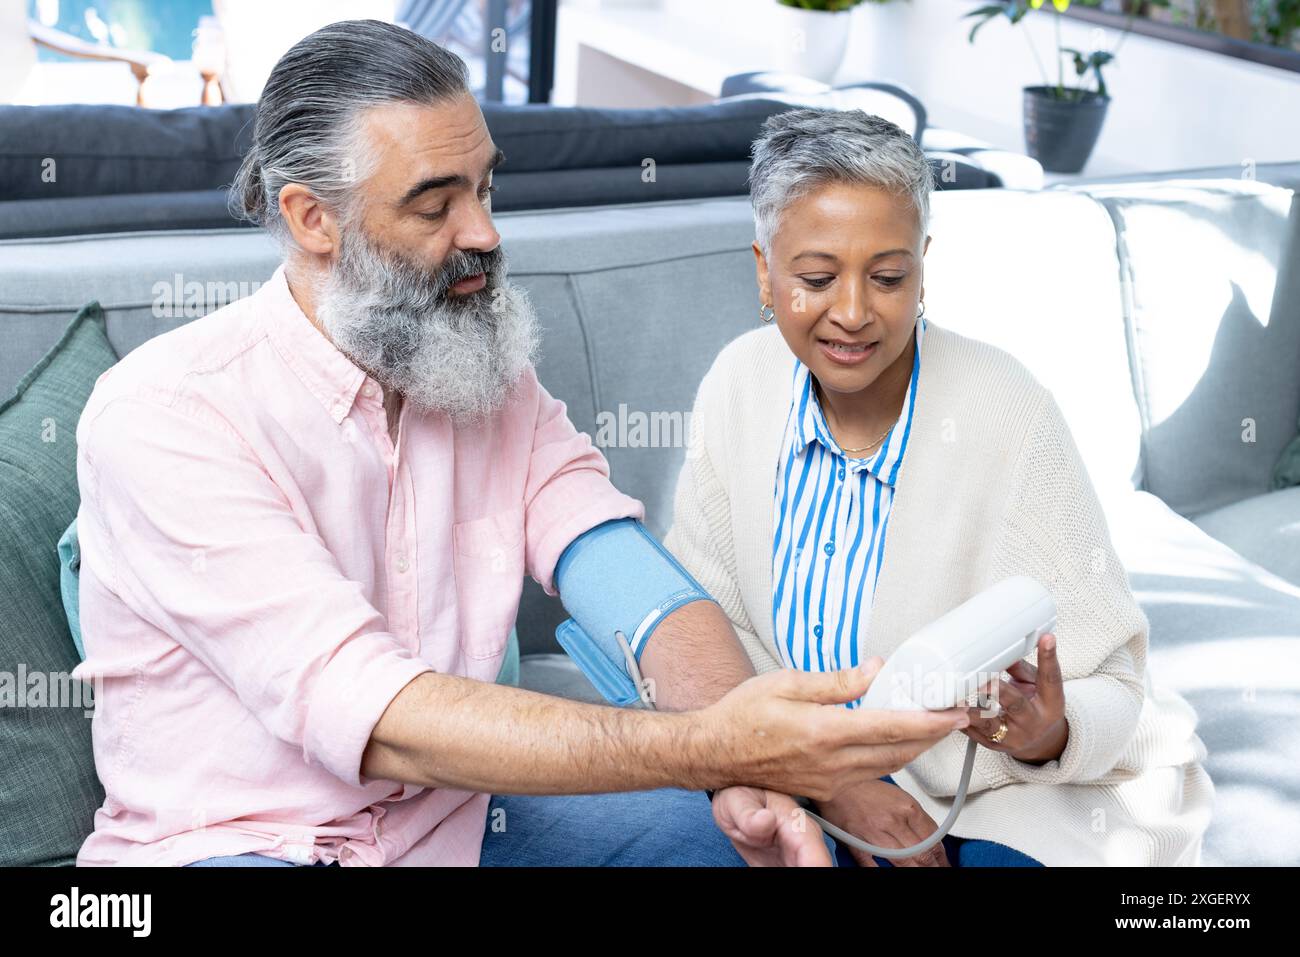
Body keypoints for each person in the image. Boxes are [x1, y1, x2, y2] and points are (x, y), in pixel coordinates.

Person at [69, 23, 970, 868]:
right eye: (435, 206)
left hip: (454, 825)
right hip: (236, 845)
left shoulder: (479, 369)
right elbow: (379, 716)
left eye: (485, 188)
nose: (486, 234)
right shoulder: (167, 415)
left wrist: (775, 768)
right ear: (312, 218)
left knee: (723, 844)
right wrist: (711, 746)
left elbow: (627, 579)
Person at [667, 108, 1214, 867]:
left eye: (888, 277)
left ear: (923, 266)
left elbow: (1116, 685)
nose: (854, 313)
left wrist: (1045, 731)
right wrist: (837, 779)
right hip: (789, 769)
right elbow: (702, 631)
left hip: (1005, 797)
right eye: (817, 278)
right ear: (764, 270)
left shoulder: (1008, 412)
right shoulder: (738, 384)